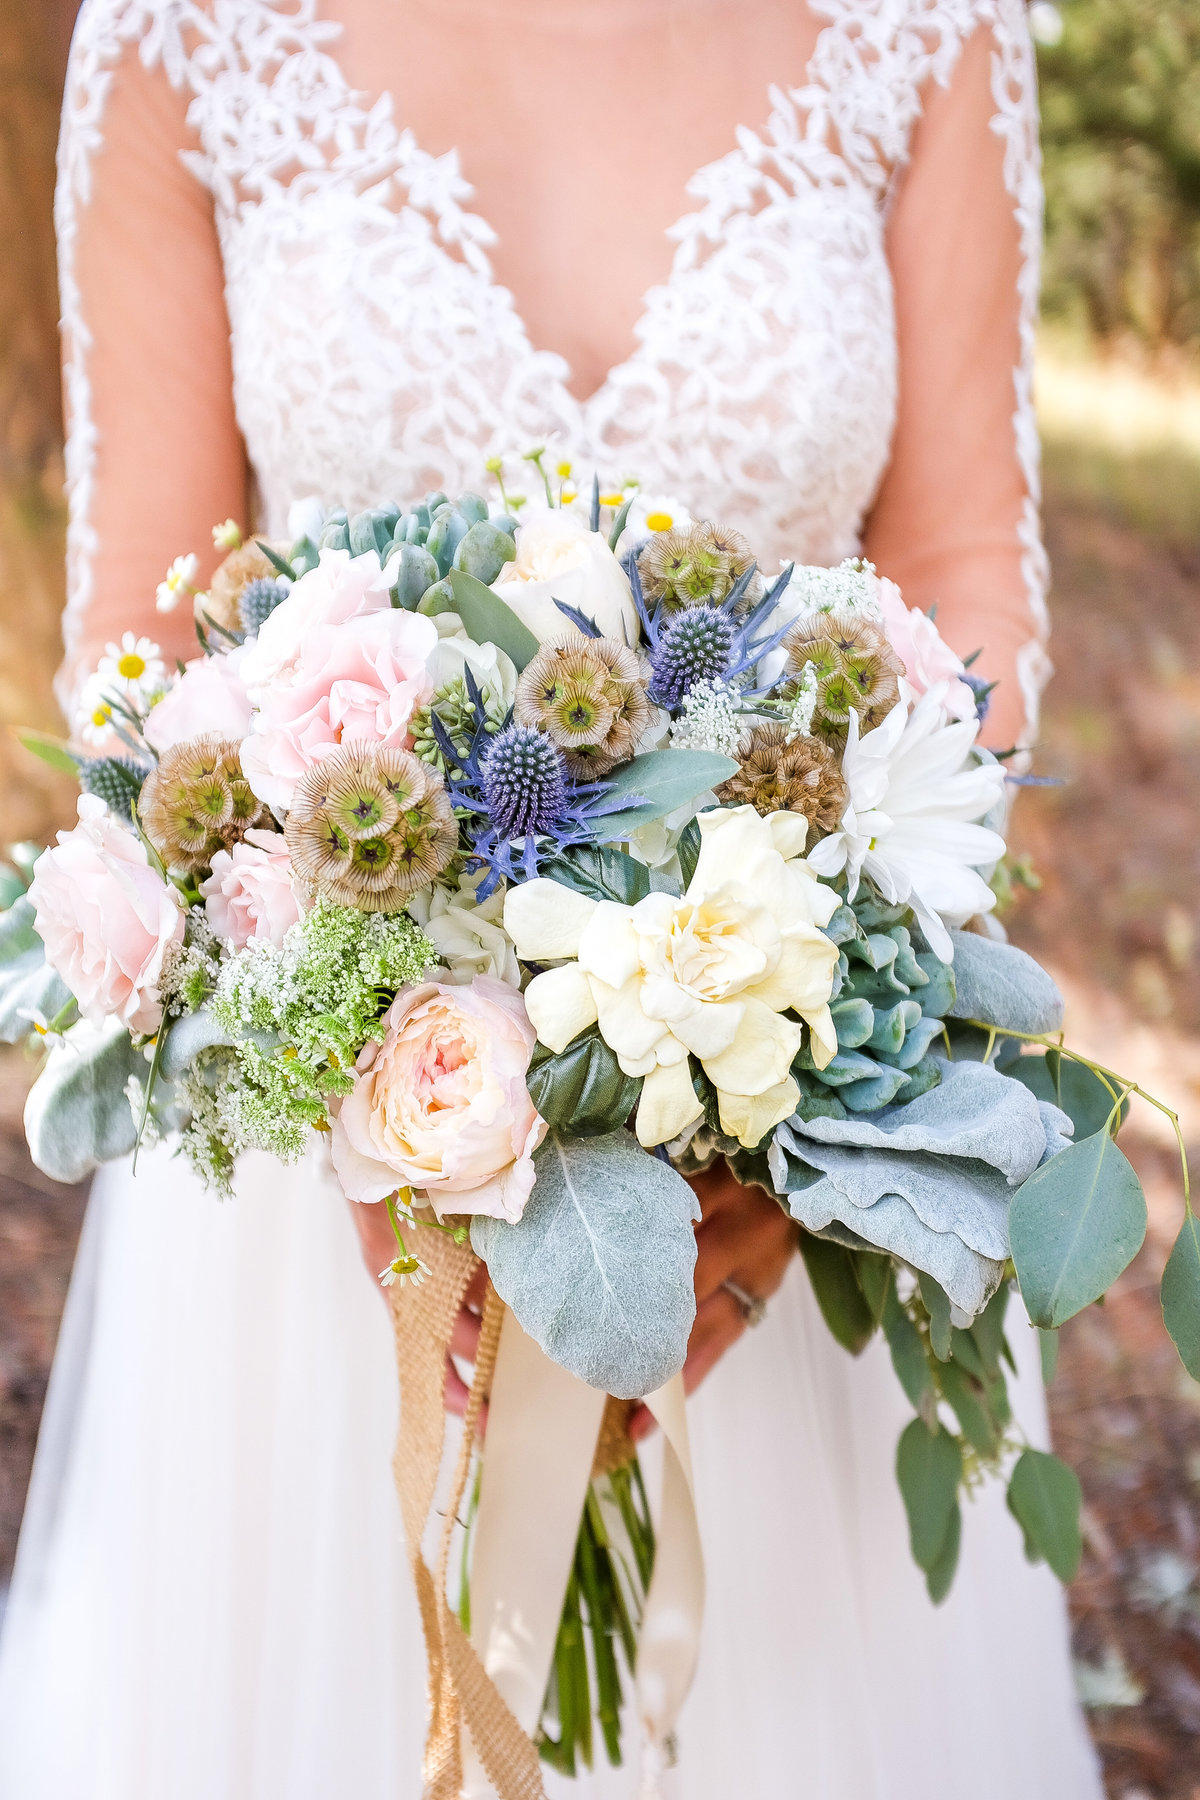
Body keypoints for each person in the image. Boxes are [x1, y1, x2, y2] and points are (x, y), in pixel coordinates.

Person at [0, 1, 1102, 1794]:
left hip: (796, 1121)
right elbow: (138, 654)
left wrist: (786, 1073)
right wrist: (395, 1108)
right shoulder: (181, 33)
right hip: (328, 1178)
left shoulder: (933, 28)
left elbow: (965, 556)